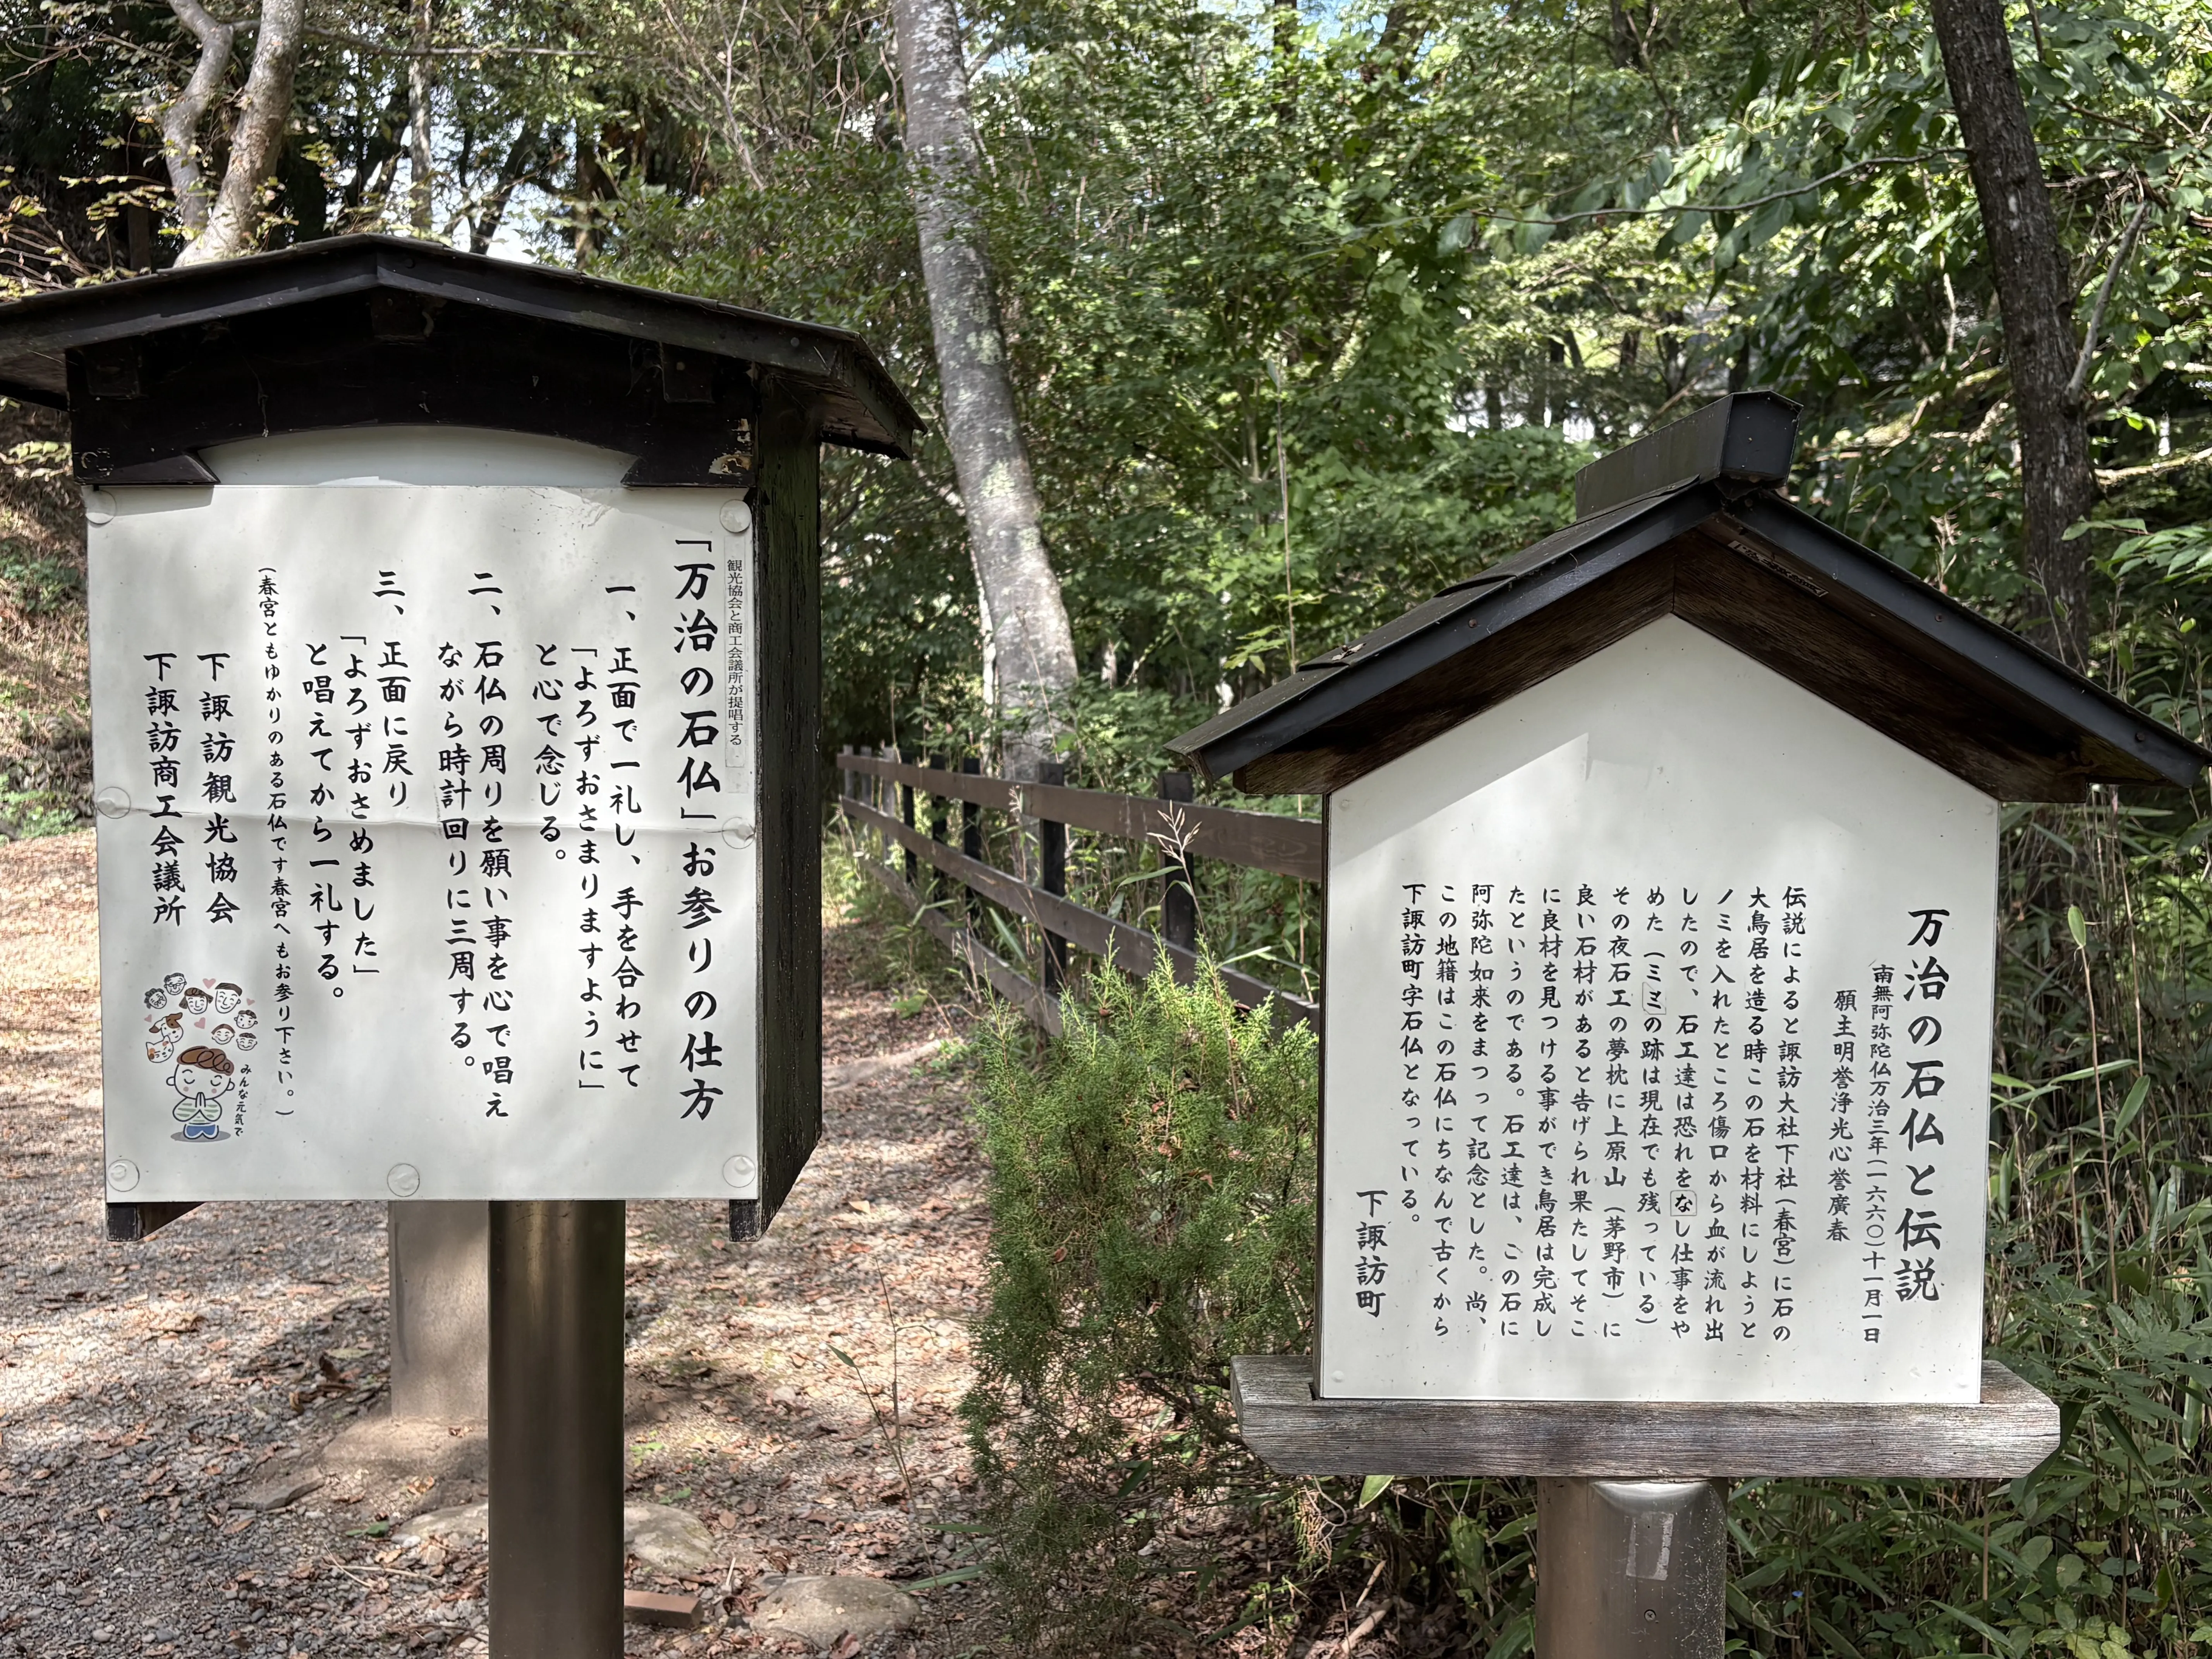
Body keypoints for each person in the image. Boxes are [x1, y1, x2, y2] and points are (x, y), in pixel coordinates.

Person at [169, 1046, 235, 1141]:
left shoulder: (213, 1104)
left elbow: (215, 1115)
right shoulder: (186, 1102)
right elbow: (180, 1114)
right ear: (173, 1080)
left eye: (215, 1082)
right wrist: (196, 1107)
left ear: (229, 1086)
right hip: (191, 1126)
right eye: (188, 1080)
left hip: (210, 1125)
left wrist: (204, 1108)